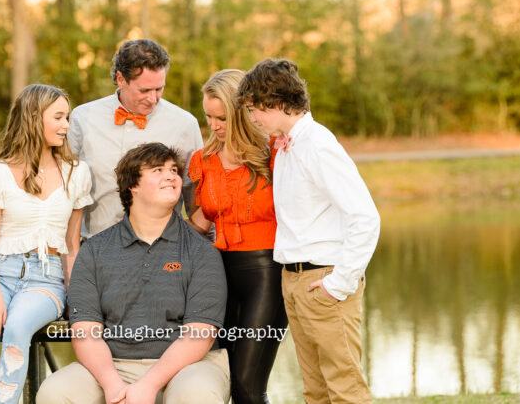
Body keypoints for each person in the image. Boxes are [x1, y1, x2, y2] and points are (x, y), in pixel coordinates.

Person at [36, 143, 230, 404]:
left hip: (188, 366)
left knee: (197, 395)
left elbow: (199, 335)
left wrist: (148, 385)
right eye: (158, 170)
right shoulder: (94, 250)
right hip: (113, 364)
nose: (171, 176)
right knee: (55, 392)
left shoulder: (202, 251)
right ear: (133, 186)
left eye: (174, 170)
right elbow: (85, 331)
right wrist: (112, 385)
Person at [237, 59, 380, 404]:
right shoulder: (286, 145)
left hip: (325, 281)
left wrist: (339, 283)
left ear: (278, 102)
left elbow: (365, 217)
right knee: (315, 391)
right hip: (295, 281)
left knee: (345, 390)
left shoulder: (318, 145)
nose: (253, 118)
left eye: (255, 109)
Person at [0, 84, 93, 403]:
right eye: (58, 117)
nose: (66, 126)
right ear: (34, 118)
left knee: (17, 330)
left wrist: (75, 300)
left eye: (68, 117)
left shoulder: (75, 174)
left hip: (44, 280)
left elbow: (72, 246)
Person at [187, 69, 287, 404]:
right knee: (230, 380)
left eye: (222, 118)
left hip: (268, 274)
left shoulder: (274, 152)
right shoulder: (203, 161)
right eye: (208, 116)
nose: (213, 125)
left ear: (243, 114)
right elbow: (198, 223)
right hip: (219, 276)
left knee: (248, 383)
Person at [68, 39, 203, 238]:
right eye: (145, 90)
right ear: (121, 79)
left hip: (161, 250)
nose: (153, 99)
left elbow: (198, 199)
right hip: (97, 247)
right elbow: (65, 189)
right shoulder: (82, 118)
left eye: (159, 89)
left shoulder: (185, 124)